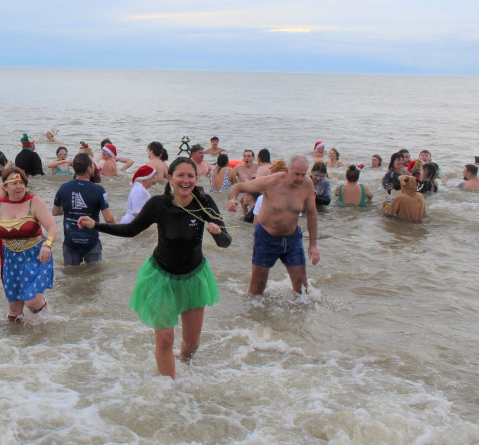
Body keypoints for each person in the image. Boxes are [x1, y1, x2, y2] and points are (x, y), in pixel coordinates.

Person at [78, 157, 231, 378]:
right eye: (180, 175)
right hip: (161, 277)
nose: (185, 180)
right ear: (170, 178)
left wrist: (217, 234)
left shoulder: (204, 202)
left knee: (192, 342)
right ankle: (169, 390)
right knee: (166, 338)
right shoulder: (159, 204)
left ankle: (185, 364)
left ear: (196, 179)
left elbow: (227, 241)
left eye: (190, 176)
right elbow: (131, 230)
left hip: (194, 277)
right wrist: (96, 226)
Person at [0, 166, 58, 323]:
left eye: (21, 182)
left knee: (32, 302)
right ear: (5, 187)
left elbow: (52, 227)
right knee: (14, 311)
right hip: (11, 261)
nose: (19, 186)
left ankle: (44, 320)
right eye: (14, 183)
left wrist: (47, 244)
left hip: (35, 257)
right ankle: (15, 343)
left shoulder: (34, 202)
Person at [226, 155, 320, 295]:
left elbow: (312, 213)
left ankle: (299, 316)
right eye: (296, 174)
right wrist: (232, 199)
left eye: (303, 174)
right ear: (287, 171)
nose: (300, 178)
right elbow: (238, 186)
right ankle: (252, 316)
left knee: (301, 287)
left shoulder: (307, 184)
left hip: (292, 238)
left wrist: (313, 244)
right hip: (266, 237)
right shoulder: (271, 182)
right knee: (256, 290)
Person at [51, 154, 115, 265]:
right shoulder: (99, 190)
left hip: (70, 241)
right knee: (94, 276)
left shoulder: (64, 187)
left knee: (70, 274)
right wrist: (117, 224)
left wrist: (70, 209)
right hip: (91, 241)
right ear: (89, 169)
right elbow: (108, 219)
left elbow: (55, 212)